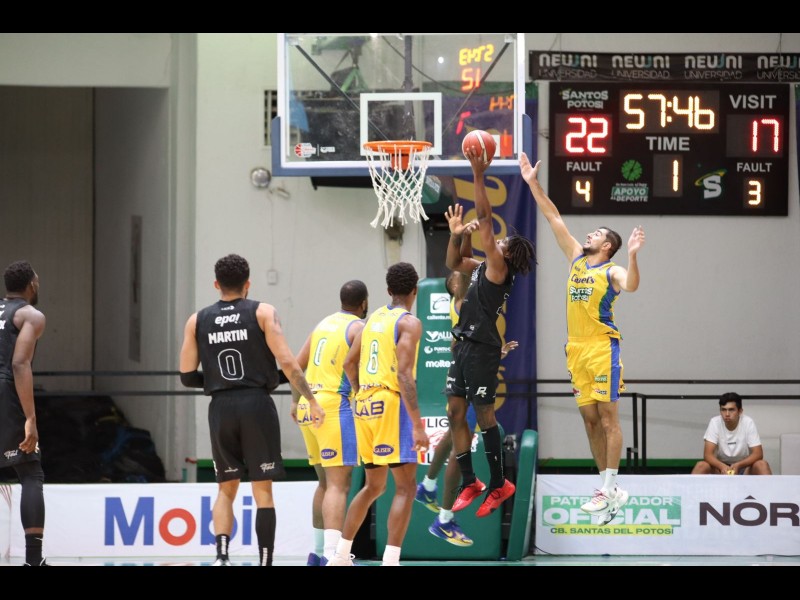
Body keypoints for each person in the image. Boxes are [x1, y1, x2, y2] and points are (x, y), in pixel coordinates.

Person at [519, 153, 645, 525]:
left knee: (608, 419)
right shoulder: (576, 258)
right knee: (589, 421)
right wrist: (532, 183)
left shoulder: (613, 271)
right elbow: (553, 216)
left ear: (607, 246)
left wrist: (634, 257)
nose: (590, 234)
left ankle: (608, 487)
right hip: (575, 350)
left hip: (603, 348)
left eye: (597, 234)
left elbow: (632, 285)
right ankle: (609, 491)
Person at [179, 253, 325, 567]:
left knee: (225, 489)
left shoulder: (197, 320)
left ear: (216, 284)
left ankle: (221, 557)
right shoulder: (263, 312)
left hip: (221, 407)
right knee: (263, 491)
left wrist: (217, 381)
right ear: (248, 284)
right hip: (257, 404)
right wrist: (310, 399)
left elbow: (187, 376)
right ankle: (265, 562)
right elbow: (288, 363)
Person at [446, 149, 536, 520]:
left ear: (508, 256)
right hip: (463, 346)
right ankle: (470, 481)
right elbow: (455, 263)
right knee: (455, 411)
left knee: (484, 414)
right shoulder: (484, 266)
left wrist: (477, 174)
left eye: (502, 244)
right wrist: (456, 235)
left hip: (482, 348)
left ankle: (499, 482)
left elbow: (484, 218)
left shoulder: (499, 268)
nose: (496, 243)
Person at [327, 262, 429, 566]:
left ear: (388, 290)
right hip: (389, 403)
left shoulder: (371, 320)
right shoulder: (409, 323)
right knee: (406, 486)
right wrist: (417, 425)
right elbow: (404, 375)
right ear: (414, 290)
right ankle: (391, 561)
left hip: (364, 404)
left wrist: (361, 391)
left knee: (374, 486)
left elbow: (349, 363)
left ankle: (340, 555)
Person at [417, 269, 518, 546]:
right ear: (454, 286)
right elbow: (460, 265)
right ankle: (445, 519)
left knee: (452, 437)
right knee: (459, 445)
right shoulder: (463, 297)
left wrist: (493, 352)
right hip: (468, 376)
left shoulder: (470, 309)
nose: (463, 276)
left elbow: (459, 343)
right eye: (457, 276)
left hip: (469, 368)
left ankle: (427, 486)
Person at [290, 280, 369, 566]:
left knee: (324, 483)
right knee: (338, 485)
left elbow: (295, 365)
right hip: (333, 406)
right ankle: (333, 555)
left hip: (308, 404)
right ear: (364, 303)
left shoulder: (323, 324)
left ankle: (317, 552)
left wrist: (295, 402)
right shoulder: (359, 328)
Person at [0, 261, 48, 567]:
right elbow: (19, 364)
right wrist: (30, 418)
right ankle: (33, 561)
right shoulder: (30, 315)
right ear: (32, 284)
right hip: (5, 392)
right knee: (30, 472)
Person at [691, 392, 772, 475]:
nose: (727, 414)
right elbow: (707, 455)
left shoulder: (748, 422)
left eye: (731, 410)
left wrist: (738, 465)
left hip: (744, 467)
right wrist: (722, 466)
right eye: (723, 410)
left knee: (762, 465)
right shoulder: (714, 422)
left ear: (740, 411)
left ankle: (771, 485)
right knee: (701, 466)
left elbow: (758, 454)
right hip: (720, 467)